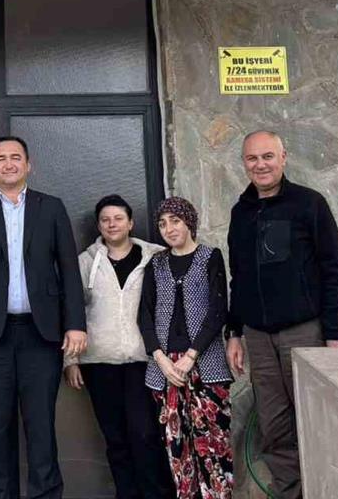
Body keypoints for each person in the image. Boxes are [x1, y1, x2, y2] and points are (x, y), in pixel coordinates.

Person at [0, 136, 87, 499]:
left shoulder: (51, 207)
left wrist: (75, 323)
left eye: (16, 157)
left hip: (40, 336)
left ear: (29, 165)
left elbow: (68, 269)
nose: (9, 164)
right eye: (1, 158)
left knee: (41, 427)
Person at [224, 130, 338, 499]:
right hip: (258, 337)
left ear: (284, 157)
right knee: (274, 424)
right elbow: (239, 276)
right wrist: (234, 331)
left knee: (316, 418)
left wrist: (335, 332)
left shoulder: (309, 204)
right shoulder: (241, 213)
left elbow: (334, 269)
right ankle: (291, 492)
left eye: (268, 156)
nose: (260, 165)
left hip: (304, 332)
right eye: (252, 158)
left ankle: (328, 491)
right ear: (244, 163)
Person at [64, 194, 174, 499]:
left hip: (145, 361)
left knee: (145, 434)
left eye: (118, 218)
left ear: (130, 223)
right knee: (116, 438)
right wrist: (71, 360)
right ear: (99, 225)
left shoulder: (155, 257)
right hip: (99, 362)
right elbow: (72, 311)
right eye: (105, 220)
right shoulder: (86, 262)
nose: (112, 224)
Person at [139, 197, 232, 499]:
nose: (169, 229)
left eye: (175, 221)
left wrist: (191, 355)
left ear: (189, 222)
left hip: (205, 364)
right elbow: (145, 315)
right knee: (176, 446)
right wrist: (161, 359)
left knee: (213, 443)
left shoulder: (210, 257)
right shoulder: (156, 263)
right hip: (165, 369)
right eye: (162, 224)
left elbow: (218, 310)